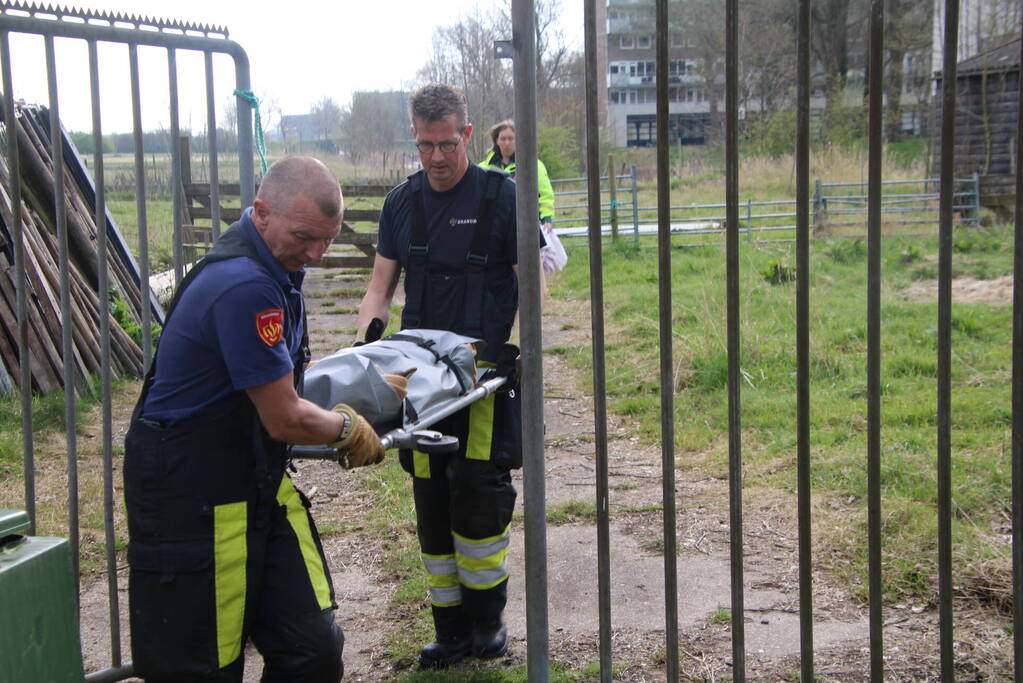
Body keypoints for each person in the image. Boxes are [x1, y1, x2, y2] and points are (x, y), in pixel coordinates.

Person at [123, 156, 392, 682]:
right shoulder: (244, 284)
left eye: (328, 240)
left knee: (313, 648)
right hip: (191, 492)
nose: (315, 253)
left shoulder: (278, 269)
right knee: (201, 667)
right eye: (305, 237)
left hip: (253, 478)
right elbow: (284, 417)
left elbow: (285, 375)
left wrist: (364, 382)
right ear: (261, 212)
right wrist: (349, 429)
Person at [358, 84, 531, 669]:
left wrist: (524, 350)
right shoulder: (401, 203)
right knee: (431, 499)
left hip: (482, 374)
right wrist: (369, 344)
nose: (435, 157)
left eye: (446, 144)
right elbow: (380, 287)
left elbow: (528, 280)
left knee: (478, 499)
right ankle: (450, 630)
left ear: (466, 135)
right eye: (425, 144)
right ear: (416, 135)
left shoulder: (504, 198)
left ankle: (489, 625)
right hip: (419, 381)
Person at [478, 119, 556, 235]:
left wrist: (547, 219)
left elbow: (545, 195)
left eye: (511, 138)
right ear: (496, 141)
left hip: (526, 226)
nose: (507, 143)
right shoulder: (483, 169)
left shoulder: (533, 165)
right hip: (493, 229)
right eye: (503, 139)